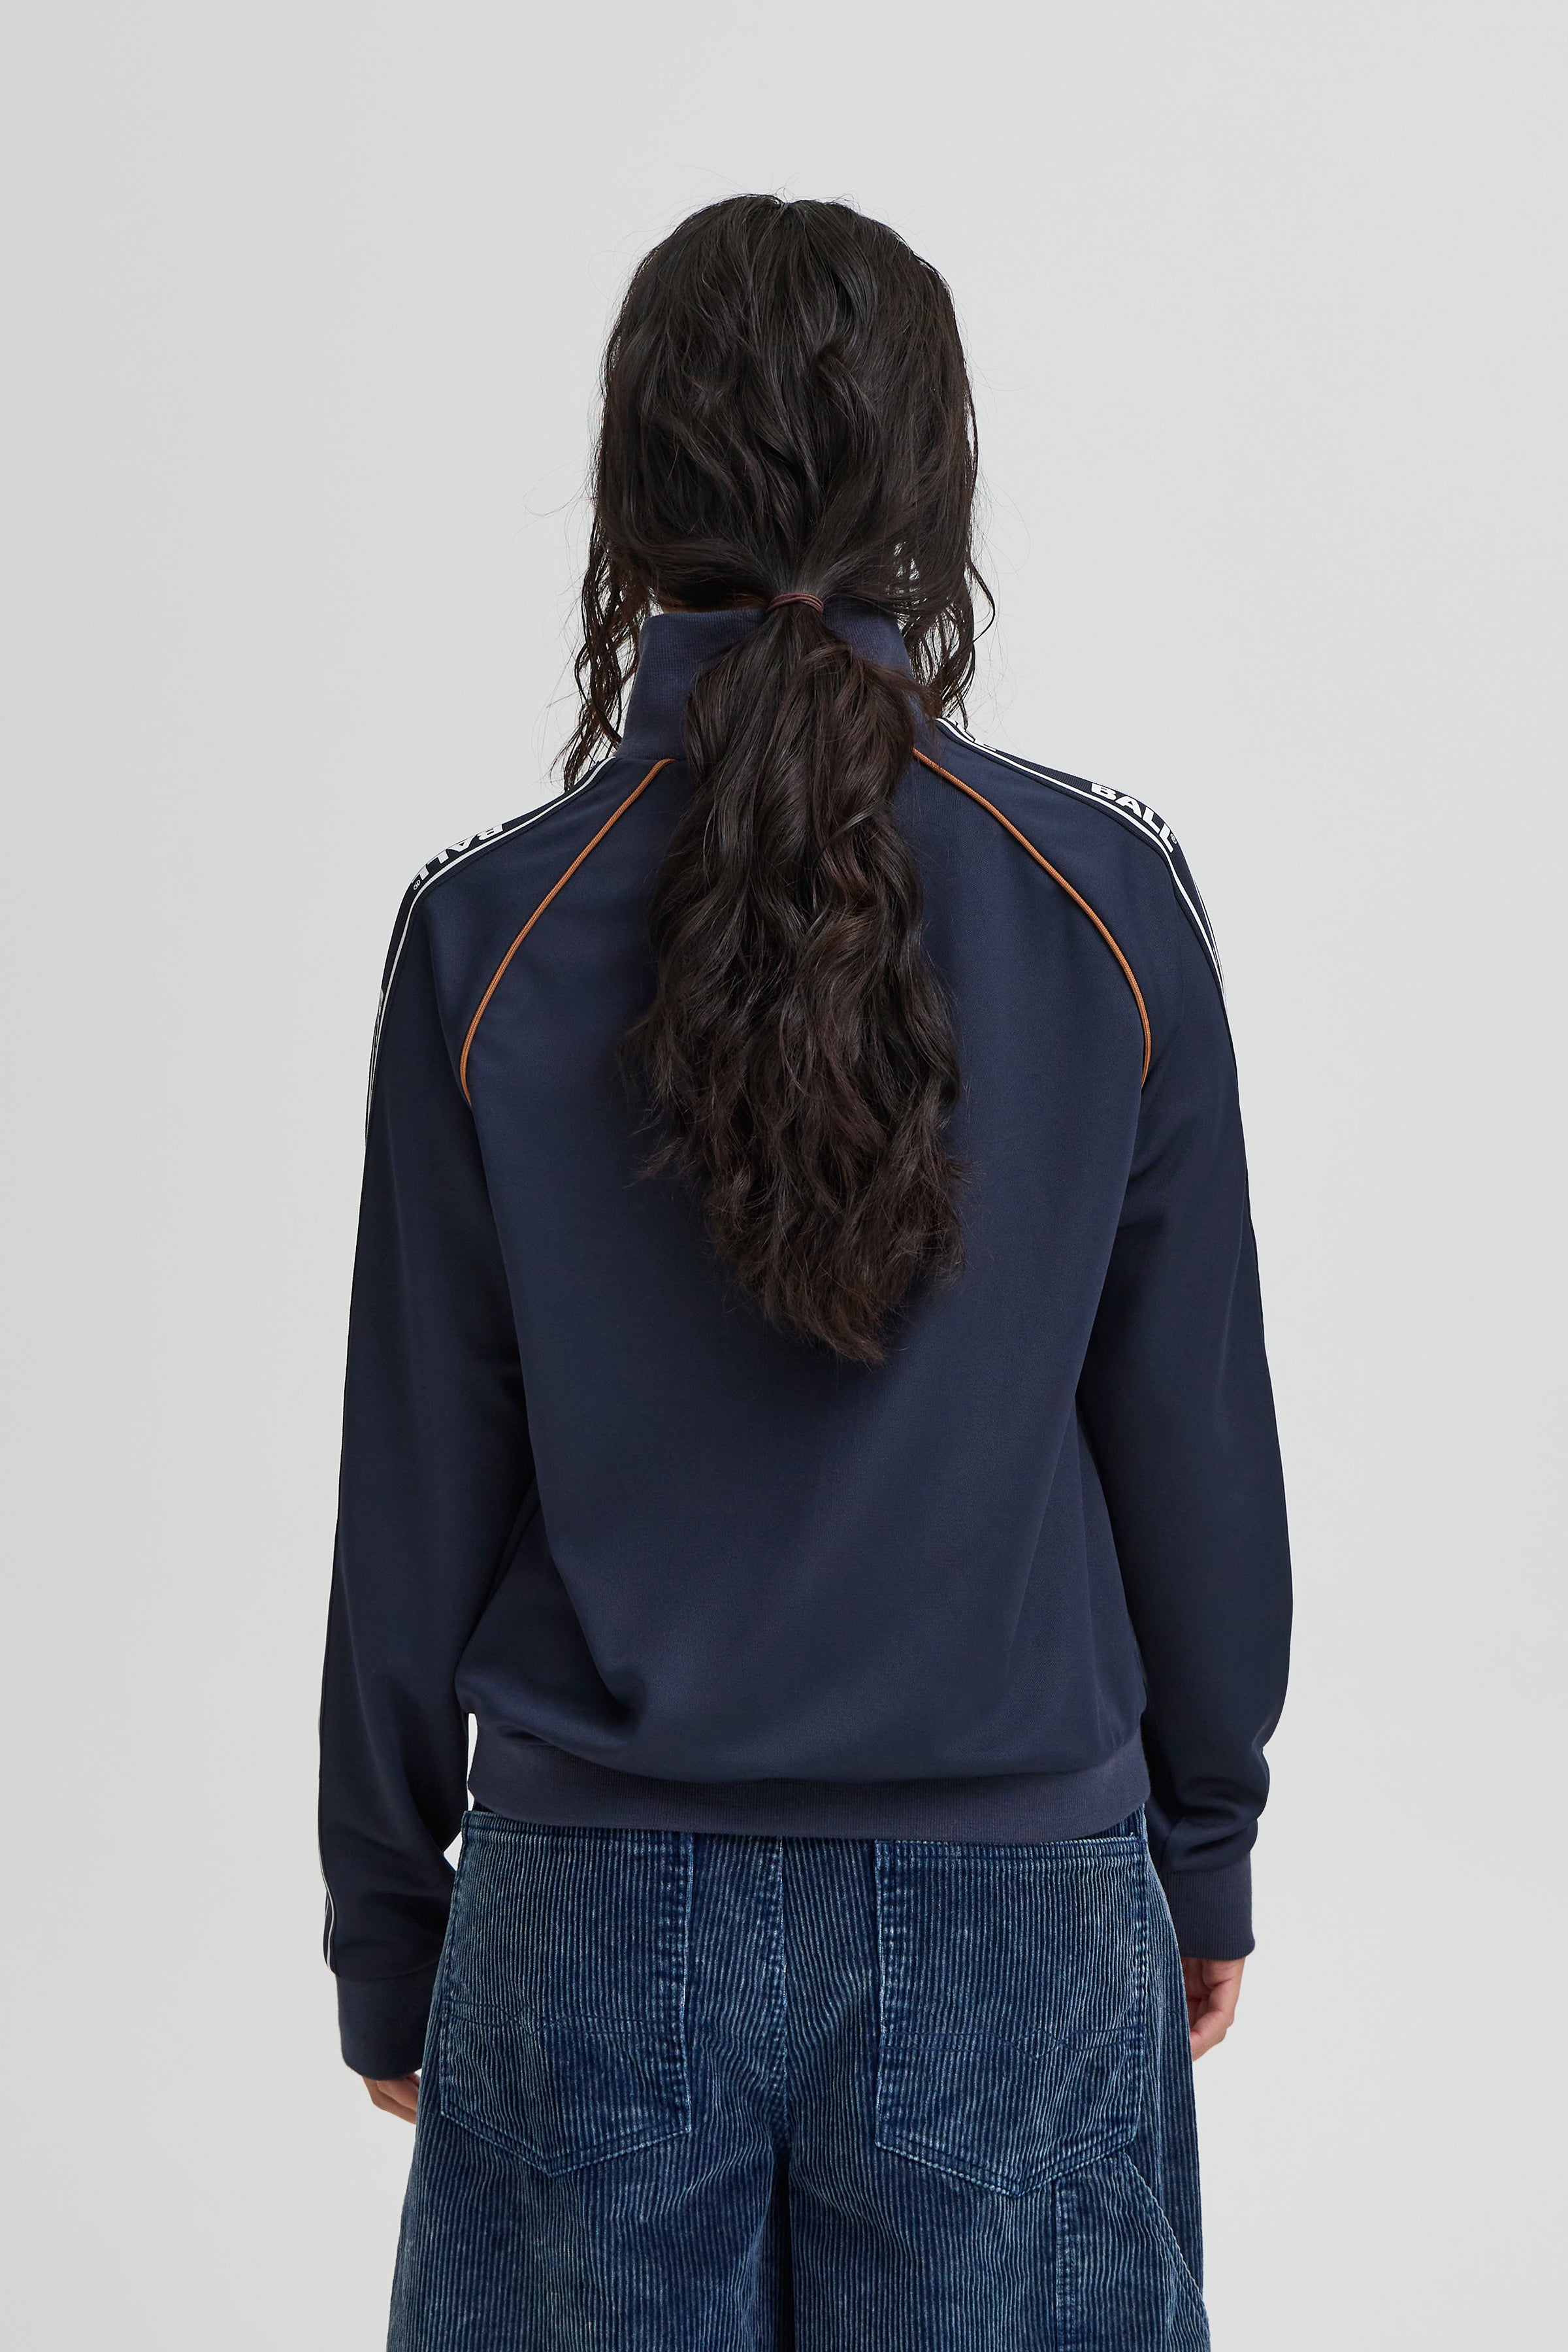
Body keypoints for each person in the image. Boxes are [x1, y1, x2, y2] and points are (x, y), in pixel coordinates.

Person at [319, 193, 1291, 2351]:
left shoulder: (486, 937)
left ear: (631, 495)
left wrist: (389, 1925)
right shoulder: (1106, 904)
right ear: (938, 487)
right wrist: (1204, 1839)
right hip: (1019, 1908)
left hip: (589, 1919)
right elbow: (1193, 1440)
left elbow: (416, 1481)